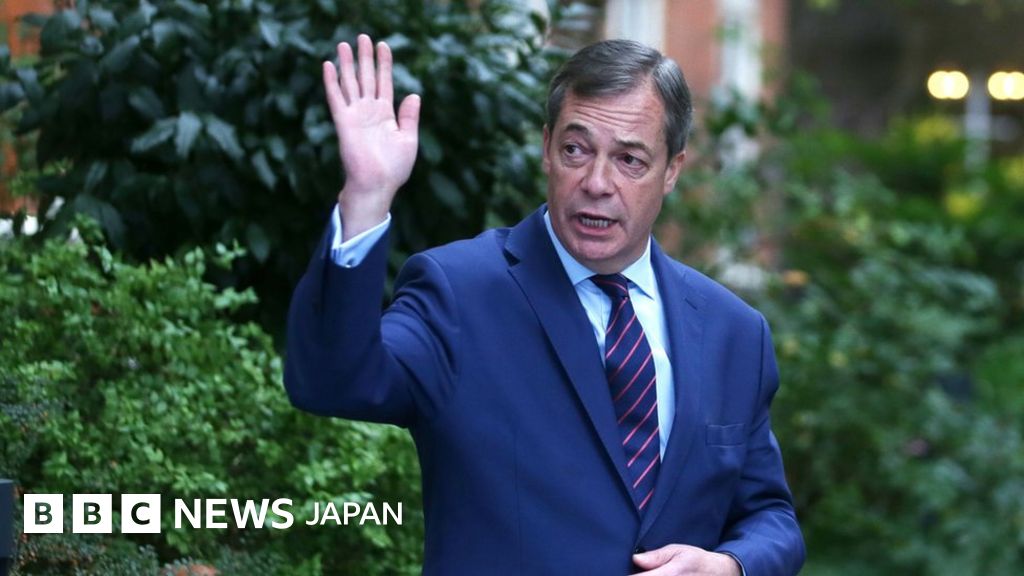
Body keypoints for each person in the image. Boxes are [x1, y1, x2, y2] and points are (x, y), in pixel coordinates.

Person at [285, 33, 805, 575]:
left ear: (672, 170)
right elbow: (331, 382)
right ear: (546, 148)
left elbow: (770, 516)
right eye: (576, 150)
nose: (596, 183)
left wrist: (729, 566)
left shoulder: (733, 331)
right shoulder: (460, 292)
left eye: (629, 159)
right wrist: (366, 196)